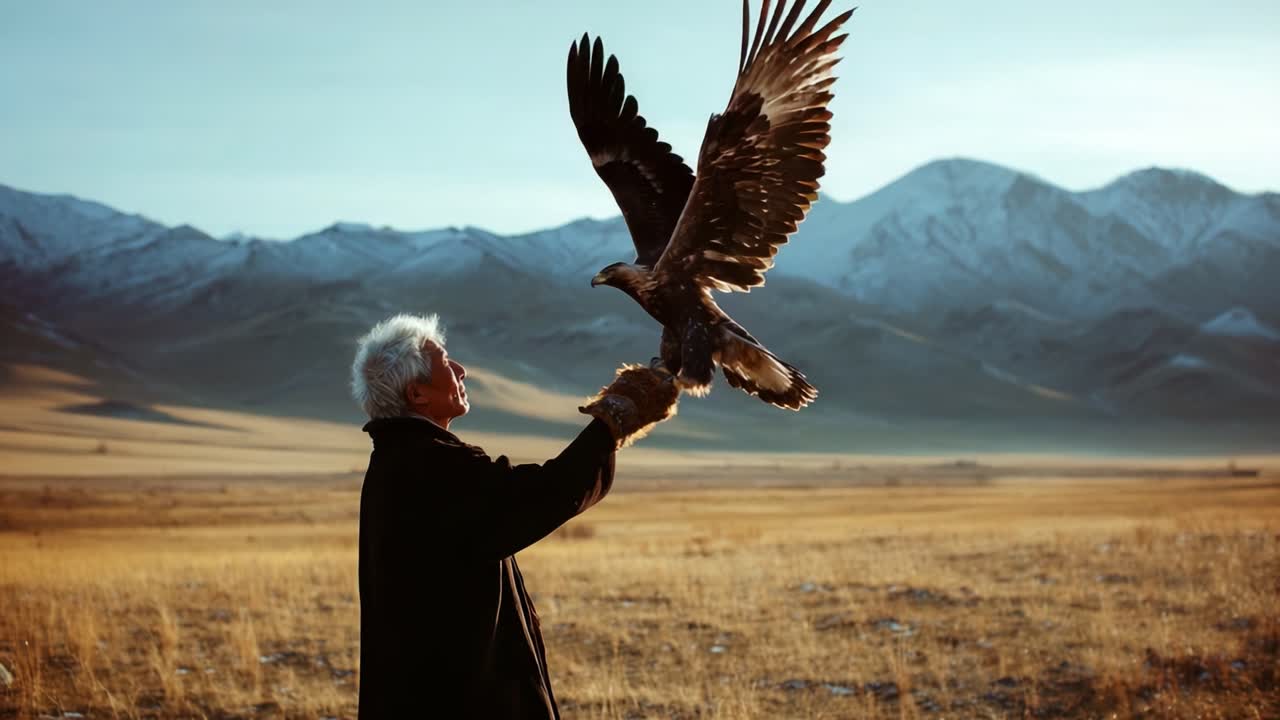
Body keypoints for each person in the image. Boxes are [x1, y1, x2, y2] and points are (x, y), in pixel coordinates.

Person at [349, 312, 680, 719]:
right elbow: (544, 494)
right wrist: (613, 418)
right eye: (445, 361)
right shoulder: (427, 468)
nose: (461, 370)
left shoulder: (400, 462)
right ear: (417, 395)